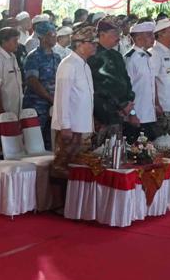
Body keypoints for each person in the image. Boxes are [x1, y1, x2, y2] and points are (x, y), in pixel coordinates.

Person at [49, 27, 98, 183]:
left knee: (77, 167)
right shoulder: (68, 64)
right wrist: (65, 125)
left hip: (81, 125)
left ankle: (74, 202)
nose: (95, 46)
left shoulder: (84, 65)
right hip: (70, 126)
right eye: (91, 43)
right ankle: (60, 205)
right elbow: (62, 97)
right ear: (79, 44)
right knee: (61, 167)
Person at [88, 18, 136, 136]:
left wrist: (129, 101)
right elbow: (99, 87)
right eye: (114, 34)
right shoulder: (93, 56)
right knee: (103, 150)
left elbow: (126, 80)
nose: (118, 38)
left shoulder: (116, 55)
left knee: (118, 148)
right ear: (102, 35)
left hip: (122, 111)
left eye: (119, 34)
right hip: (103, 112)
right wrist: (120, 106)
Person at [21, 21, 60, 147]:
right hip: (36, 106)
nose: (55, 37)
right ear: (42, 37)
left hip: (52, 106)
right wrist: (50, 98)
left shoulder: (57, 57)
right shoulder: (33, 57)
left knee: (51, 143)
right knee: (34, 143)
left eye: (55, 34)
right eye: (51, 34)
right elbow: (33, 81)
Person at [125, 22, 160, 140]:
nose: (153, 38)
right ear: (139, 38)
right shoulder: (131, 59)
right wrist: (132, 114)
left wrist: (156, 104)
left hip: (149, 114)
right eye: (150, 35)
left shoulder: (147, 57)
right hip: (137, 116)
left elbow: (151, 84)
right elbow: (127, 90)